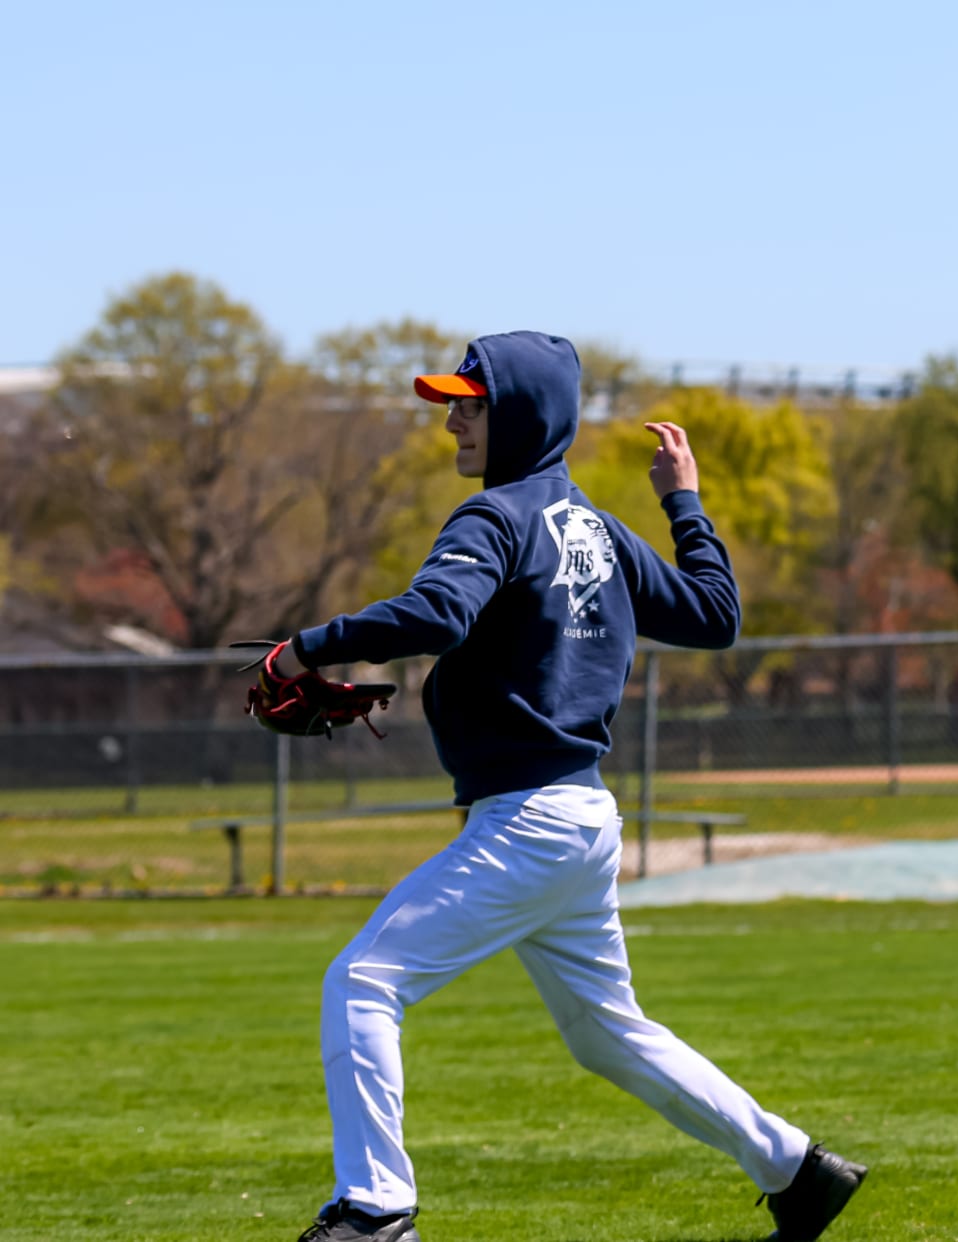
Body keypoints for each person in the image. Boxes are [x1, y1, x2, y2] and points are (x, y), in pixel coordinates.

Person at [265, 333, 865, 1242]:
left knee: (363, 981)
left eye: (473, 402)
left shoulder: (493, 519)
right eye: (452, 404)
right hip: (580, 818)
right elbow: (716, 614)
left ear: (524, 415)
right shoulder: (597, 528)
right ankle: (797, 1170)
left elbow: (437, 612)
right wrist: (685, 506)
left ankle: (376, 1208)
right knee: (603, 1032)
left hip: (530, 820)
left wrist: (307, 643)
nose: (455, 421)